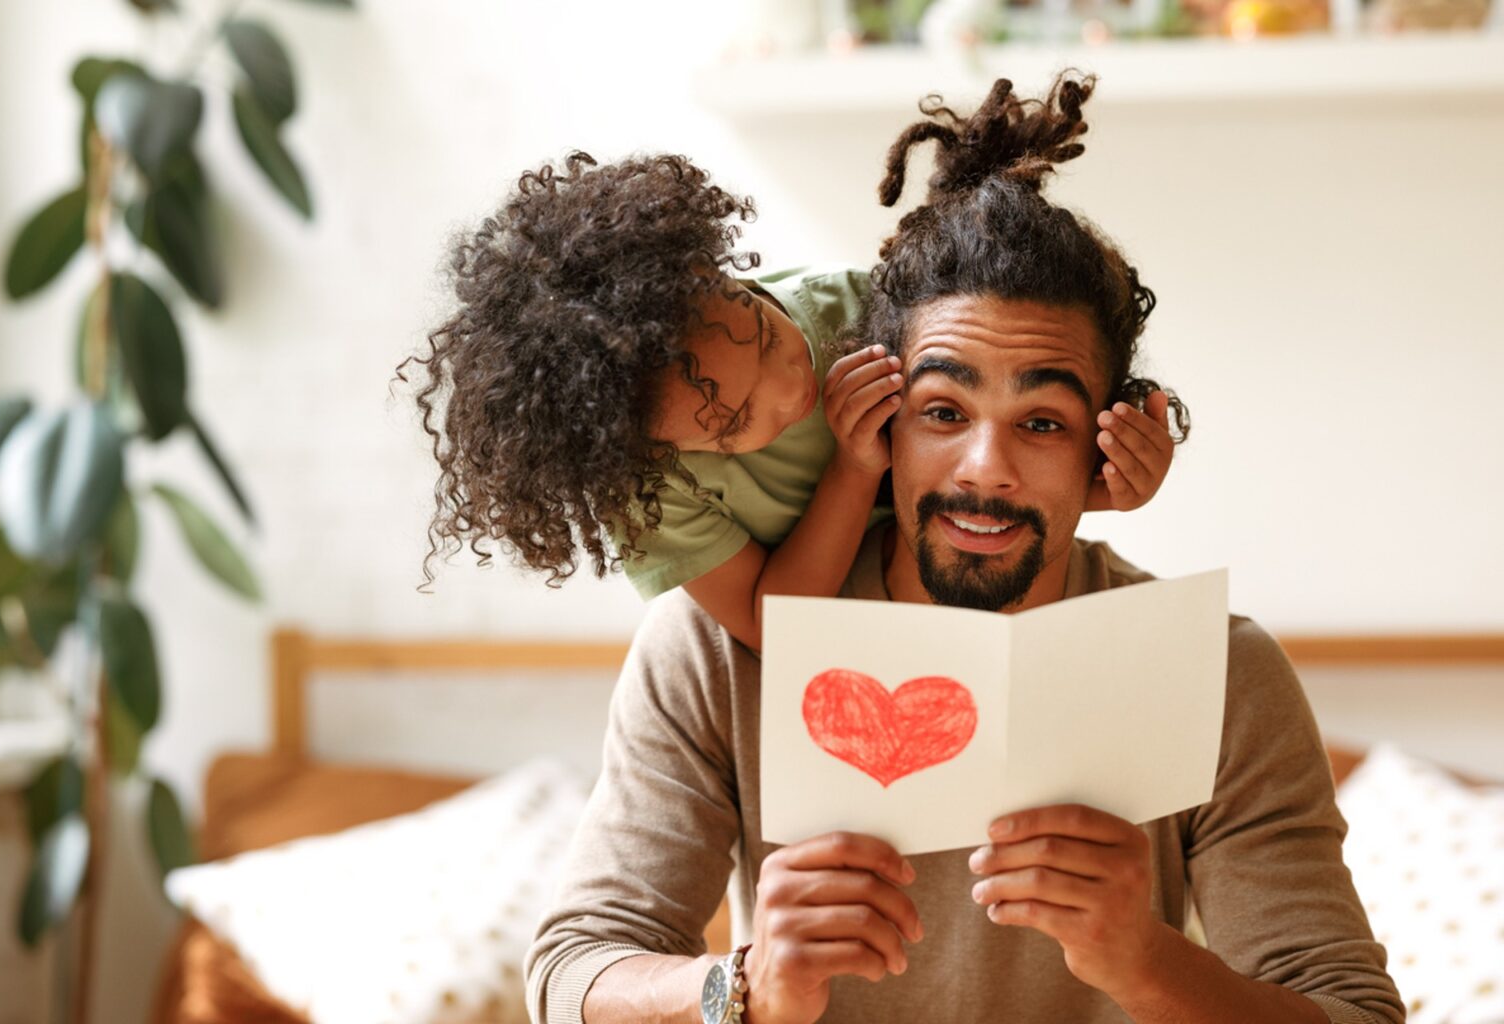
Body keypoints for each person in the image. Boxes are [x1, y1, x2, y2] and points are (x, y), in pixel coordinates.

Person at [524, 73, 1405, 1024]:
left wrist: (1146, 959)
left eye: (1042, 424)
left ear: (1105, 448)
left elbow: (1354, 1013)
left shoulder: (1219, 675)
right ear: (879, 418)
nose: (986, 469)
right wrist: (739, 985)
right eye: (943, 412)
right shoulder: (708, 654)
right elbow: (570, 975)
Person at [400, 106, 1180, 652]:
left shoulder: (857, 308)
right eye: (732, 423)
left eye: (773, 343)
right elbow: (781, 630)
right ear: (643, 447)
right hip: (835, 629)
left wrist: (1110, 481)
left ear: (725, 274)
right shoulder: (644, 491)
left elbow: (1000, 443)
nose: (790, 394)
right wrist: (851, 465)